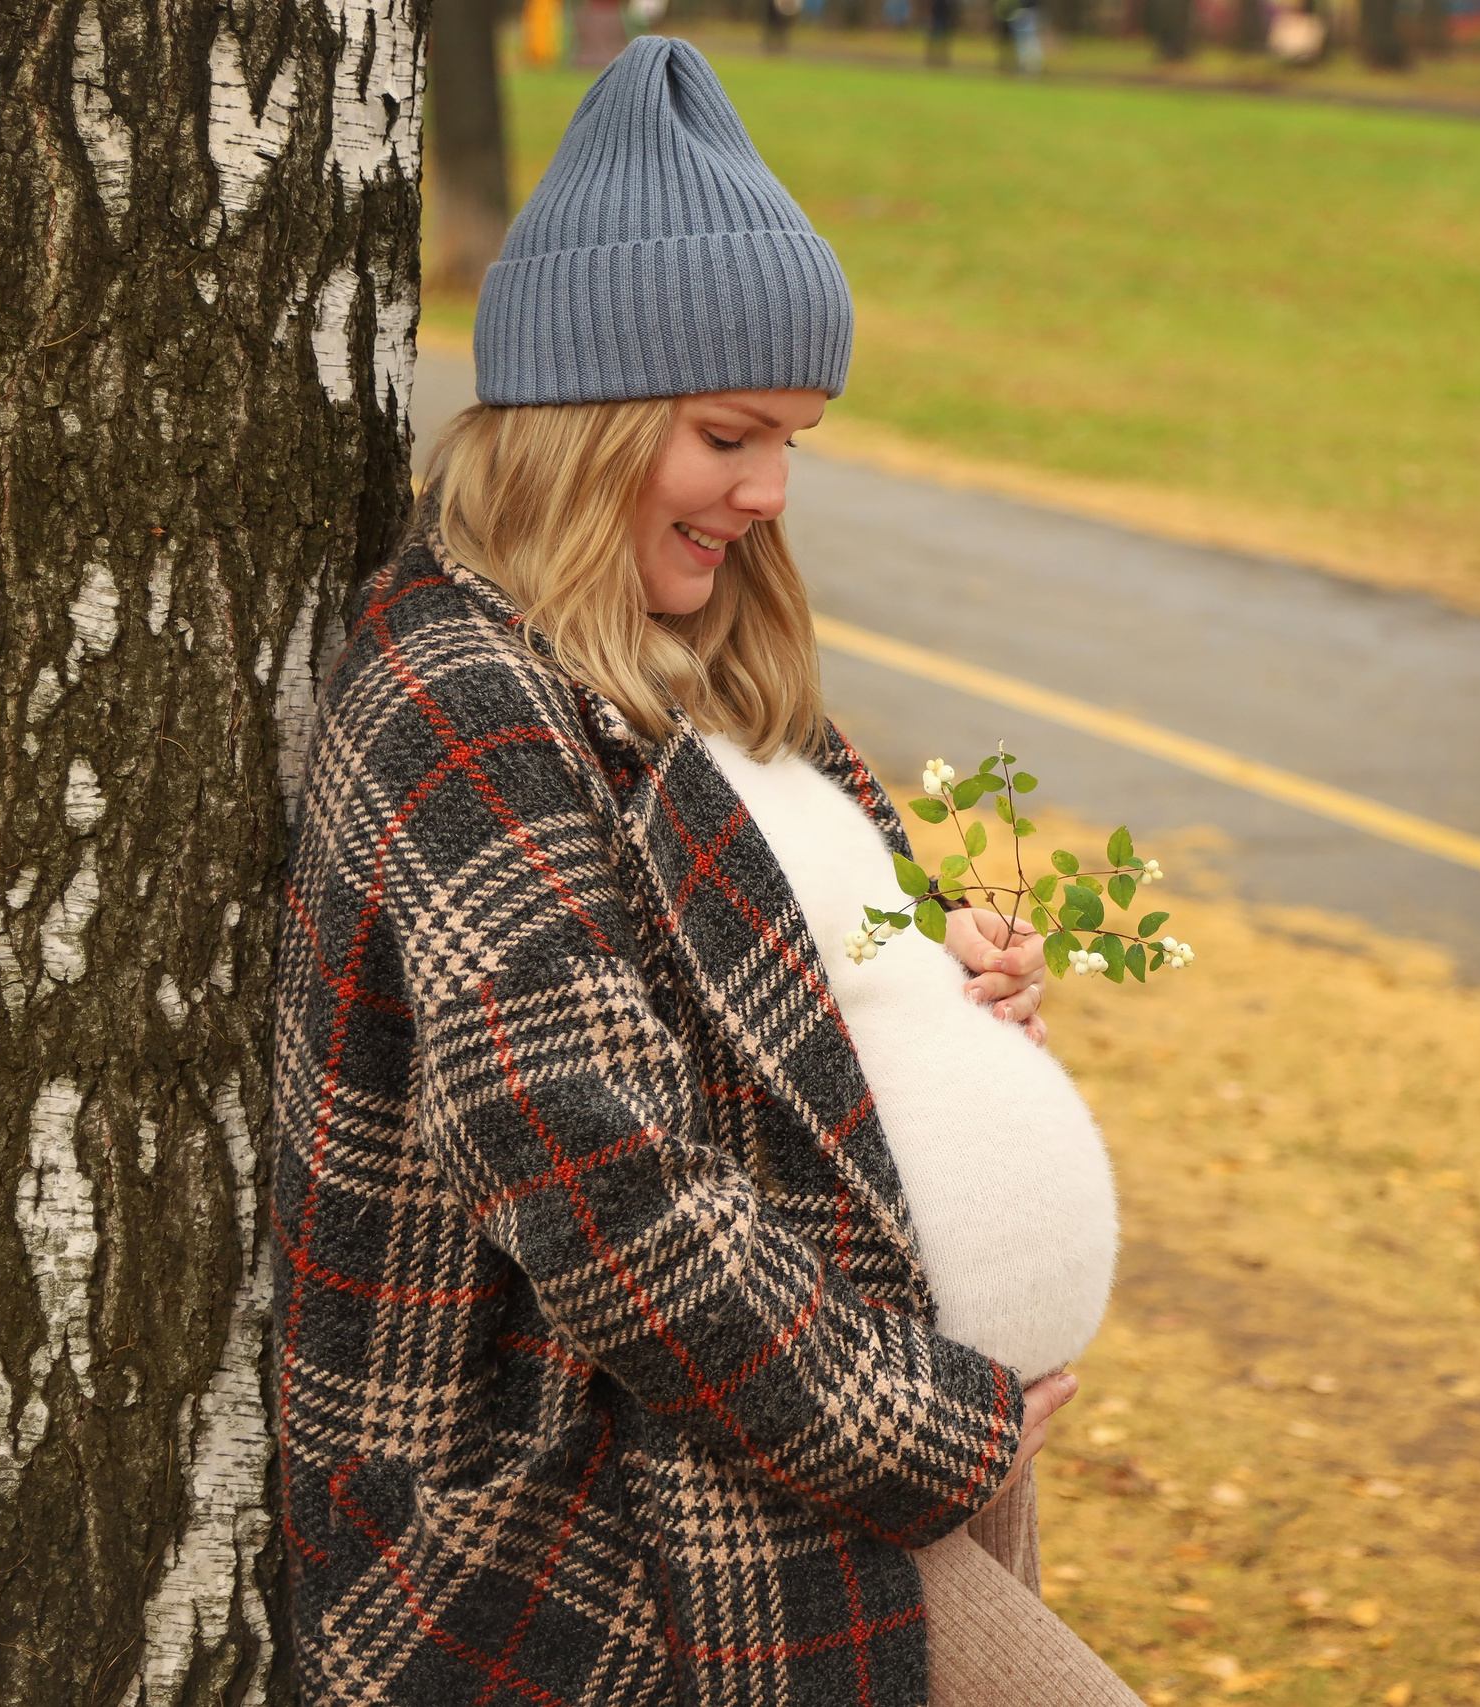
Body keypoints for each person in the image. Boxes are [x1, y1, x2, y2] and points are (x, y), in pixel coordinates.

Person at [273, 36, 1136, 1707]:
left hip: (827, 1448)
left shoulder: (715, 668)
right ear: (590, 418)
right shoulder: (464, 709)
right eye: (732, 434)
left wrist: (950, 998)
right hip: (584, 1518)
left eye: (797, 438)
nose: (772, 492)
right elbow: (608, 1188)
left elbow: (797, 1009)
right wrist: (935, 1424)